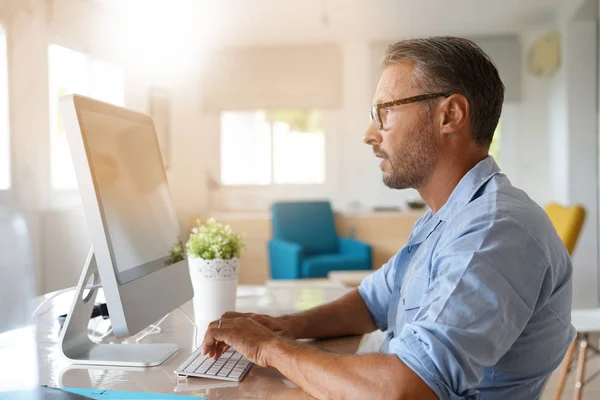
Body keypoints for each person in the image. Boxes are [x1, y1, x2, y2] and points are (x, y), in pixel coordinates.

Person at [201, 37, 574, 399]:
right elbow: (372, 301)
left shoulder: (494, 230)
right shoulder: (445, 218)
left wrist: (270, 349)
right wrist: (285, 326)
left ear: (451, 115)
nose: (369, 134)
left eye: (385, 112)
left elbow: (406, 389)